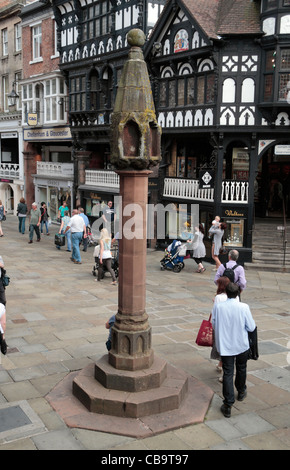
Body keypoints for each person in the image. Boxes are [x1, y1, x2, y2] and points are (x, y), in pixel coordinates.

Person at [212, 282, 256, 418]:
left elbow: (213, 323)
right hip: (241, 344)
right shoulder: (243, 307)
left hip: (225, 345)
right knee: (242, 368)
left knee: (228, 373)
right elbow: (251, 326)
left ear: (226, 292)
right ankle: (241, 391)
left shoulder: (219, 307)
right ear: (238, 293)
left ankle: (228, 404)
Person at [210, 276, 239, 378]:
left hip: (221, 327)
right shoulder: (236, 297)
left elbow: (214, 315)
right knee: (229, 349)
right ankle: (221, 365)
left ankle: (224, 371)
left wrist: (214, 328)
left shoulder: (218, 297)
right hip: (233, 327)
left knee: (222, 348)